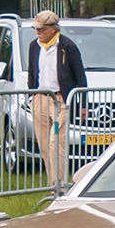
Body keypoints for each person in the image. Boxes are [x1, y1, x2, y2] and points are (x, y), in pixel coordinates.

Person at [25, 10, 87, 188]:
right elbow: (32, 73)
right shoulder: (34, 46)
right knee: (44, 145)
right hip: (40, 98)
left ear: (53, 29)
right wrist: (32, 96)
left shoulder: (68, 47)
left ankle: (59, 185)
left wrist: (82, 105)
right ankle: (51, 185)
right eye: (36, 29)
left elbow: (80, 77)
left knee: (55, 142)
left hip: (60, 99)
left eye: (41, 29)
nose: (38, 33)